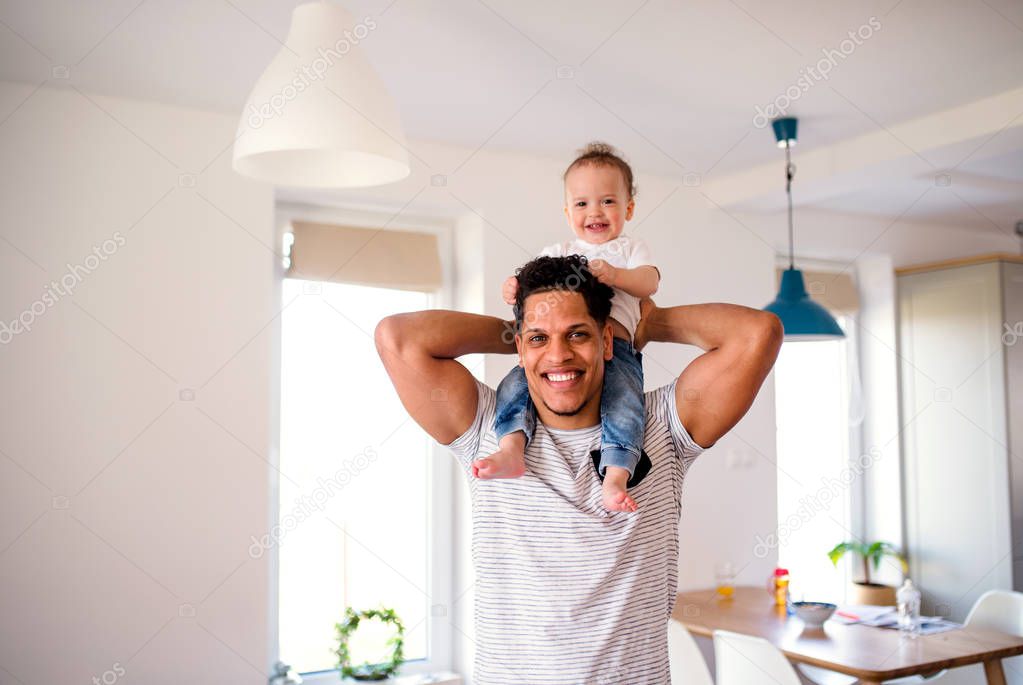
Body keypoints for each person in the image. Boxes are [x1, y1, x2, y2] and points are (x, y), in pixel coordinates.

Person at [375, 256, 781, 685]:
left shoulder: (662, 425)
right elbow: (397, 338)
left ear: (607, 340)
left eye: (577, 334)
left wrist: (649, 325)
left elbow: (758, 333)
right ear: (520, 345)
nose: (559, 355)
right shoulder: (487, 428)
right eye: (538, 339)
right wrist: (521, 331)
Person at [478, 142, 657, 513]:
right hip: (575, 351)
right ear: (567, 211)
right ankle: (512, 446)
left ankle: (616, 473)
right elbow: (531, 291)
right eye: (582, 204)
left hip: (619, 351)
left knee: (624, 403)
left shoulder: (629, 249)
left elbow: (649, 282)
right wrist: (513, 288)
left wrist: (616, 275)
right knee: (514, 384)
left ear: (629, 208)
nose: (595, 212)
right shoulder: (557, 250)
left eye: (608, 201)